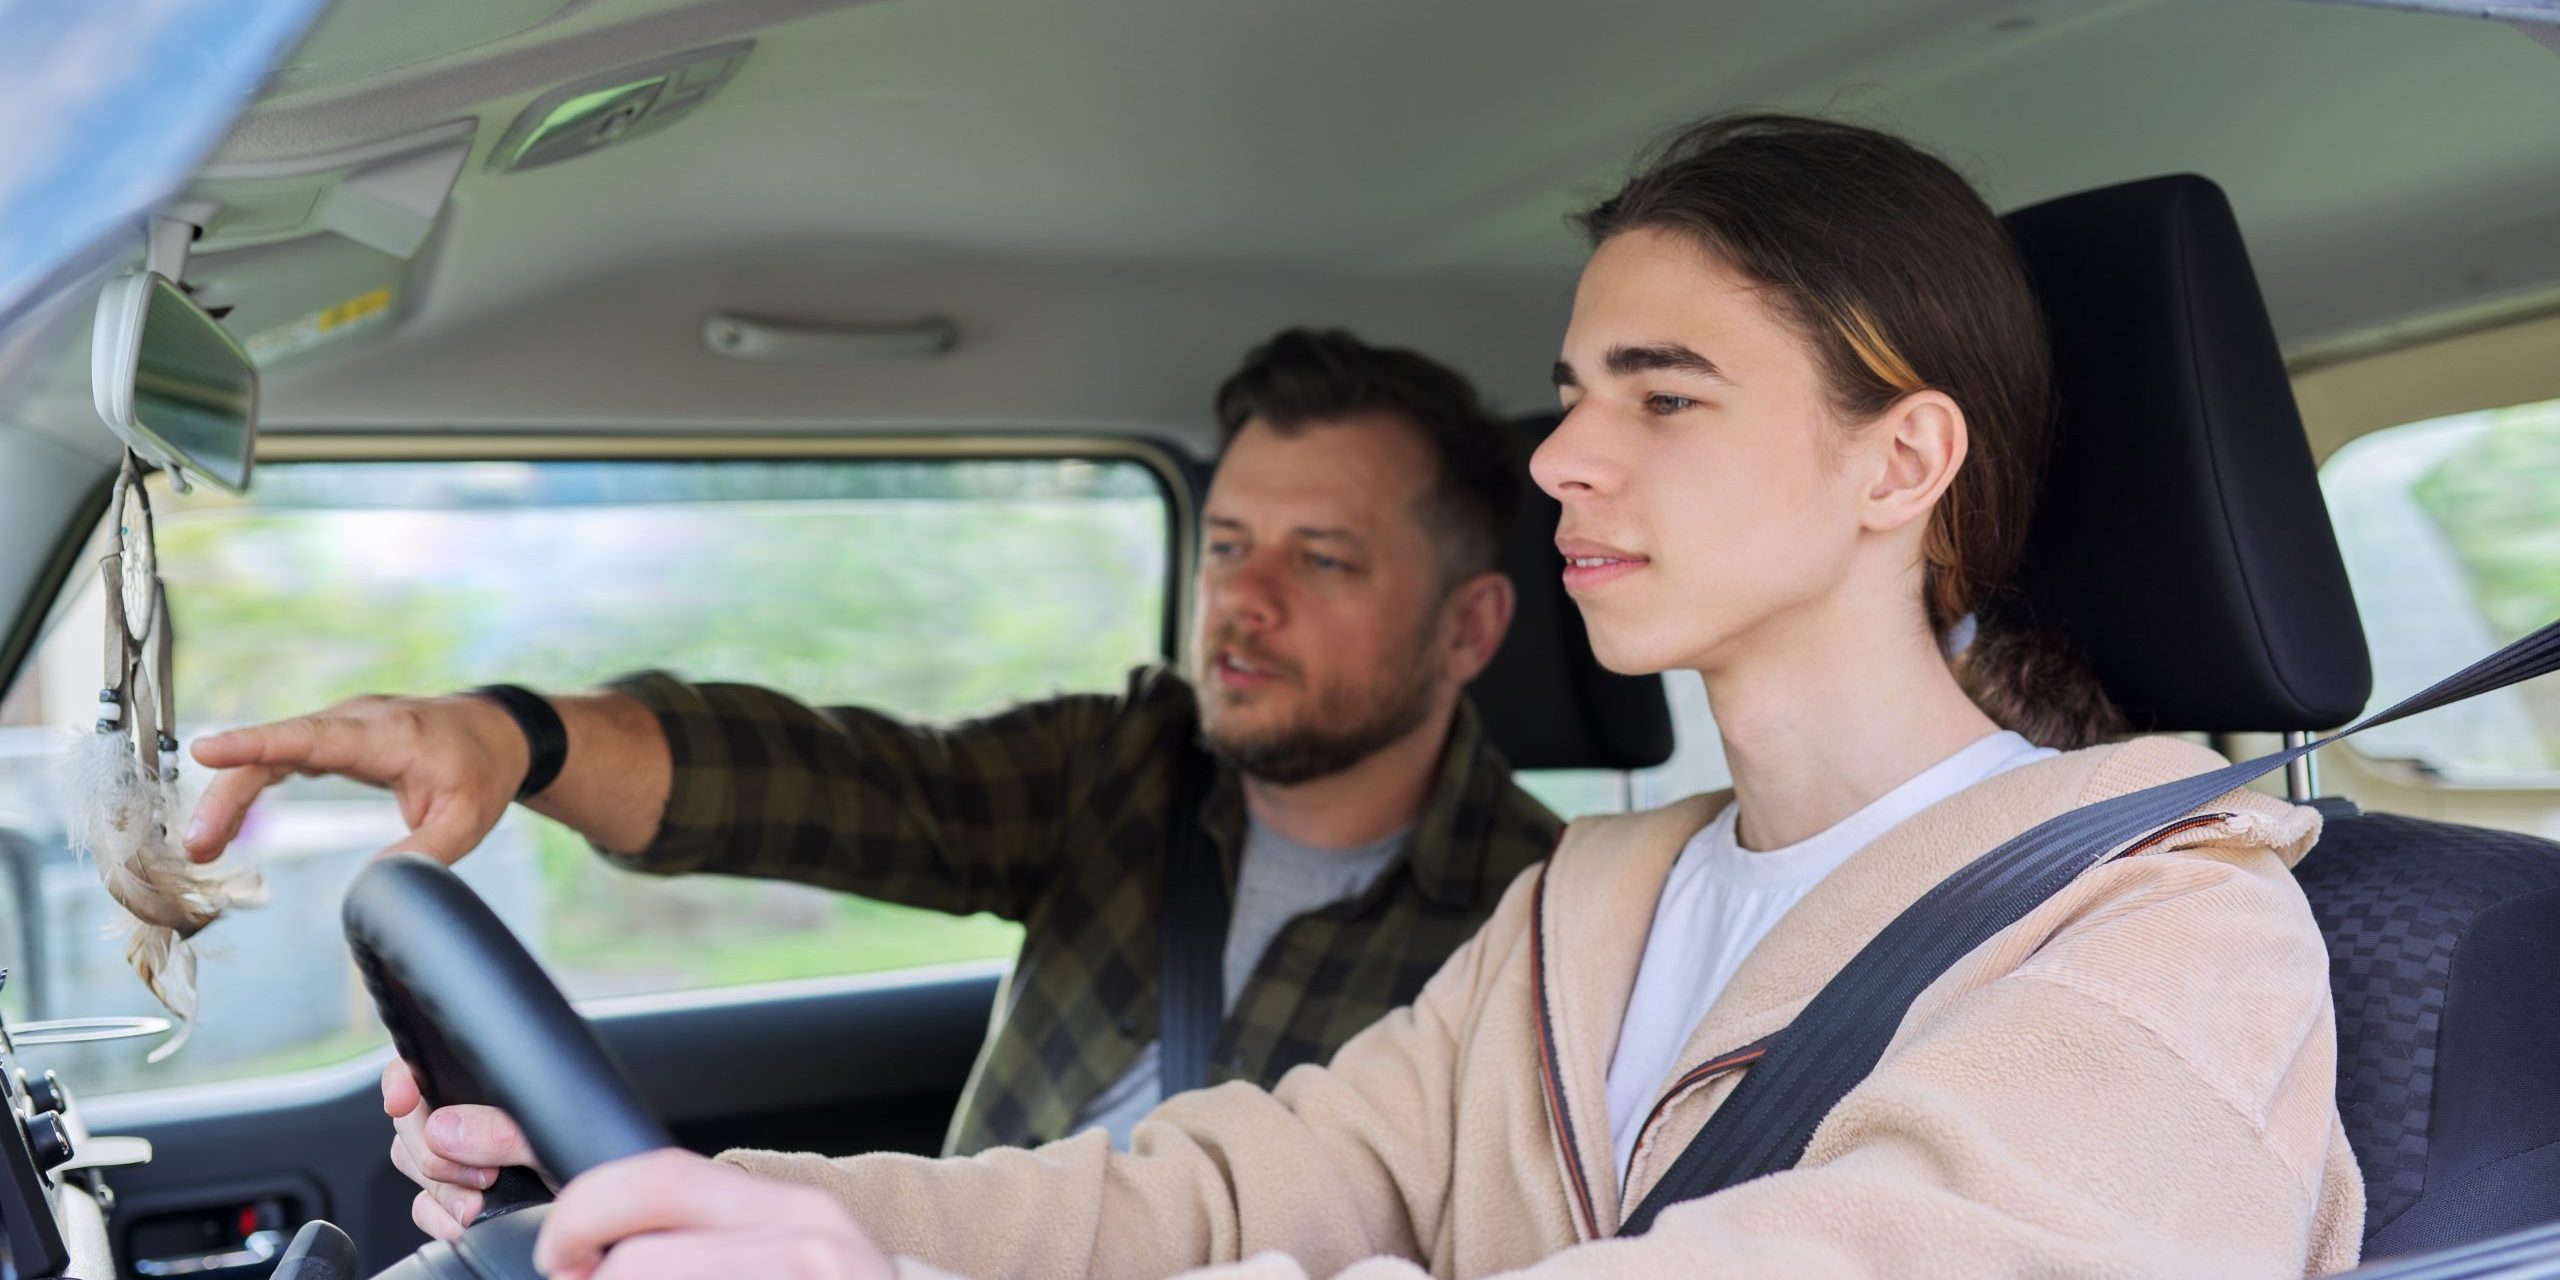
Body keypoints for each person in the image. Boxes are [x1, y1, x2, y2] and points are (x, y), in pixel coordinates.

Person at [388, 114, 2365, 1279]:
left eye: (1659, 397)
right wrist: (695, 1198)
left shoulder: (2166, 934)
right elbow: (1218, 1184)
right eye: (1575, 393)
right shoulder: (1587, 907)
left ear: (1895, 463)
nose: (1566, 457)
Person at [185, 326, 1563, 1165]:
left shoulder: (1553, 926)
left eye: (1322, 561)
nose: (1244, 603)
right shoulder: (1129, 771)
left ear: (1469, 628)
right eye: (1226, 546)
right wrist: (515, 737)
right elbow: (833, 784)